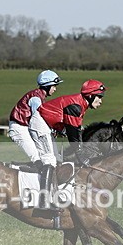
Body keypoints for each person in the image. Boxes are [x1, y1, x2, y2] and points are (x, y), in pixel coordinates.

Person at [29, 79, 107, 215]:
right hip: (40, 124)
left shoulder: (80, 105)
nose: (101, 101)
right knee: (50, 161)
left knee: (57, 160)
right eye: (99, 97)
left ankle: (54, 196)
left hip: (45, 124)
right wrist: (80, 154)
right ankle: (43, 203)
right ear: (90, 95)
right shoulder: (76, 106)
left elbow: (74, 130)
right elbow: (73, 136)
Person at [8, 70, 62, 162]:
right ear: (47, 85)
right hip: (20, 128)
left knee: (45, 156)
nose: (55, 89)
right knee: (37, 159)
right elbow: (37, 120)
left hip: (25, 127)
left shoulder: (40, 97)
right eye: (54, 86)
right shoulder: (36, 98)